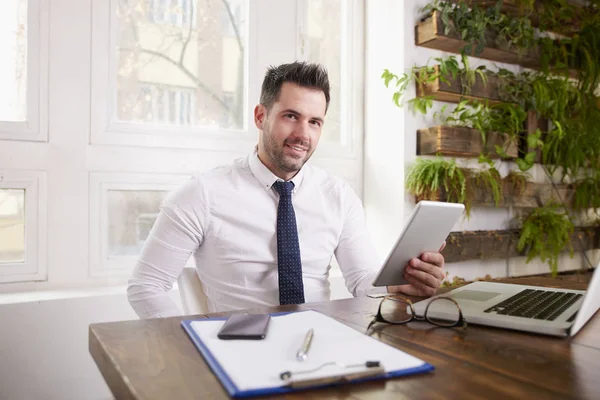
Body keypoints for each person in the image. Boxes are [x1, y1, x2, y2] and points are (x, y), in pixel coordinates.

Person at [127, 61, 446, 318]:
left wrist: (401, 287)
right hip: (239, 349)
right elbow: (146, 286)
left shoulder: (338, 196)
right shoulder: (201, 194)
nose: (302, 134)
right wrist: (196, 343)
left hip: (318, 341)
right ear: (260, 116)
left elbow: (363, 282)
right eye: (291, 116)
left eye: (314, 122)